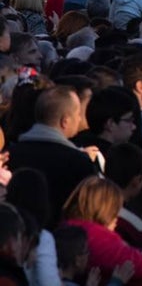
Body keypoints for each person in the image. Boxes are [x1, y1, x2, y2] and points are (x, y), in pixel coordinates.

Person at [60, 176, 142, 284]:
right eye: (116, 209)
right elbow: (129, 260)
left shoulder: (69, 226)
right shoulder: (96, 236)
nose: (117, 216)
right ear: (105, 209)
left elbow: (123, 251)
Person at [6, 86, 98, 227]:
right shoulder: (78, 162)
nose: (80, 119)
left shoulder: (9, 155)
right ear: (65, 121)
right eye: (78, 114)